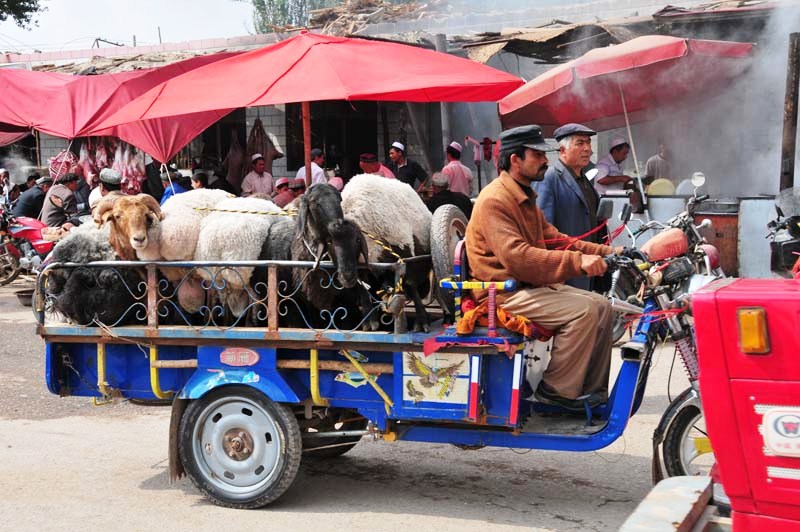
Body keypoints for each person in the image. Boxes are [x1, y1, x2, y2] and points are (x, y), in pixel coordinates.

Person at [466, 124, 615, 411]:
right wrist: (577, 262)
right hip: (504, 293)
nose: (546, 160)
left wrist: (610, 252)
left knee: (602, 306)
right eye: (538, 155)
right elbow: (518, 258)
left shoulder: (525, 197)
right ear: (515, 160)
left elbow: (557, 240)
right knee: (583, 312)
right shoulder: (495, 199)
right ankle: (555, 393)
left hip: (526, 288)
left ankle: (590, 391)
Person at [534, 123, 602, 291]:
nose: (587, 148)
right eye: (580, 143)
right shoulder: (550, 177)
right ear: (562, 150)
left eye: (588, 143)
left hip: (588, 264)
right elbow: (544, 229)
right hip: (566, 271)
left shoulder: (584, 179)